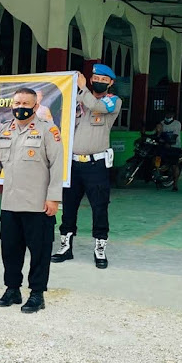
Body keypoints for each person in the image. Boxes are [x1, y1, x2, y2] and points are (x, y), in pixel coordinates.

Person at [0, 88, 63, 313]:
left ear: (36, 107)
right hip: (10, 204)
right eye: (17, 103)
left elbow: (57, 166)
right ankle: (12, 290)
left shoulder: (48, 130)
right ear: (11, 105)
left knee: (40, 252)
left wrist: (54, 198)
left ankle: (37, 294)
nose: (21, 107)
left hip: (38, 205)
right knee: (10, 250)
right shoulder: (3, 131)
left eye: (26, 104)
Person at [51, 64, 122, 269]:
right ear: (91, 80)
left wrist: (81, 89)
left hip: (96, 164)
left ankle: (100, 248)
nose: (99, 80)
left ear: (111, 83)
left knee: (99, 207)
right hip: (73, 164)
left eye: (103, 78)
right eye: (95, 77)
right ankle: (66, 246)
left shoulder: (113, 101)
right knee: (69, 206)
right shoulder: (77, 100)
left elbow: (98, 107)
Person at [155, 108, 182, 192]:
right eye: (167, 114)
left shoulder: (177, 124)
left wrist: (169, 143)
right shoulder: (161, 123)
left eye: (170, 114)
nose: (168, 116)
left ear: (173, 115)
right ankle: (157, 173)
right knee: (157, 158)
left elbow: (175, 136)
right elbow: (157, 134)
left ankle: (175, 185)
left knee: (174, 165)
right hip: (163, 147)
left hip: (174, 147)